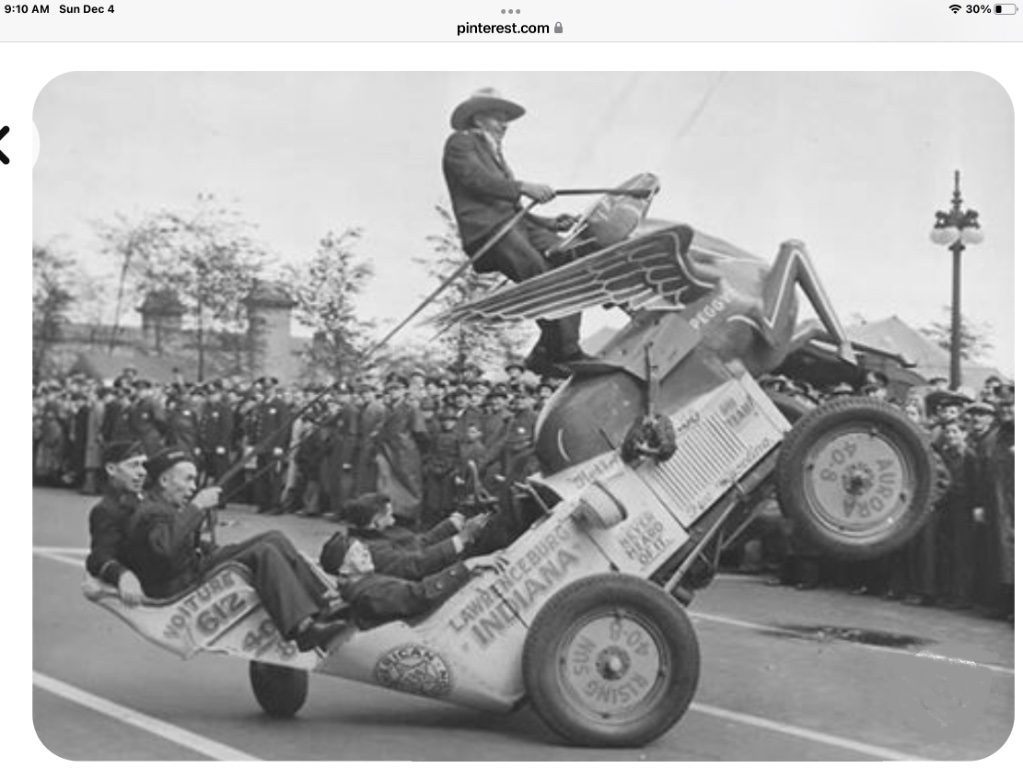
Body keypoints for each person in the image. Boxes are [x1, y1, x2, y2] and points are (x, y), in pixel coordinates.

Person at [124, 448, 348, 651]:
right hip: (180, 583)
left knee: (274, 537)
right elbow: (164, 547)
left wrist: (218, 548)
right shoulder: (151, 511)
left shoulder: (164, 507)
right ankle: (303, 629)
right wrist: (197, 506)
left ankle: (325, 603)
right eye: (188, 479)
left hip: (193, 566)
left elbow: (182, 542)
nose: (193, 487)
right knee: (264, 552)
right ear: (164, 480)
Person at [442, 87, 592, 377]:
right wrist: (522, 186)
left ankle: (548, 350)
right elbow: (475, 180)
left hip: (515, 225)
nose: (505, 125)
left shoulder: (495, 153)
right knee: (540, 275)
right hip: (490, 232)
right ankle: (563, 353)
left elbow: (513, 209)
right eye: (498, 118)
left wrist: (550, 223)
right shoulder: (460, 142)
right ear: (479, 118)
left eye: (506, 119)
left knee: (571, 258)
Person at [321, 530, 500, 628]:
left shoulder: (361, 586)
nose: (366, 553)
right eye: (357, 553)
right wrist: (466, 567)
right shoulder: (370, 594)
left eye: (364, 549)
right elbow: (419, 596)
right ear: (344, 569)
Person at [85, 441, 149, 606]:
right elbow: (100, 557)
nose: (142, 472)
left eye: (143, 465)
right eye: (134, 465)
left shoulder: (148, 499)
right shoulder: (107, 510)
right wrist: (122, 575)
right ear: (111, 469)